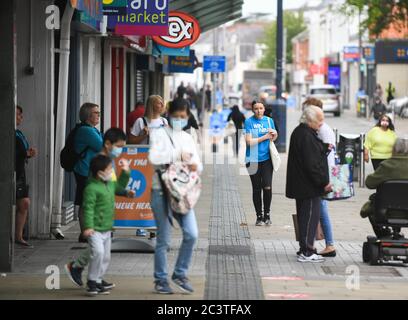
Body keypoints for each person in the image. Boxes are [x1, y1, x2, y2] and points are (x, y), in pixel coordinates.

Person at [65, 128, 135, 288]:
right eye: (119, 146)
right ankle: (88, 276)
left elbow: (113, 187)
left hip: (105, 216)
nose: (120, 150)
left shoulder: (108, 160)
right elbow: (100, 189)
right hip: (97, 215)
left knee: (101, 252)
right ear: (108, 144)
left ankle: (93, 277)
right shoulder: (101, 162)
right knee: (97, 250)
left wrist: (125, 183)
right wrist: (89, 224)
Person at [148, 98, 202, 294]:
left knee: (192, 234)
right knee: (164, 239)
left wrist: (193, 164)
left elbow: (198, 164)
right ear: (169, 114)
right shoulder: (159, 133)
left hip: (181, 192)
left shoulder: (188, 137)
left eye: (183, 116)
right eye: (176, 116)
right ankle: (160, 280)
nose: (179, 119)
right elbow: (155, 158)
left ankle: (180, 273)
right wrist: (181, 159)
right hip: (161, 190)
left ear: (187, 116)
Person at [286, 106, 332, 263]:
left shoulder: (303, 132)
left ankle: (305, 249)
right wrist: (324, 182)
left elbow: (312, 155)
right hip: (309, 187)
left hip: (302, 185)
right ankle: (307, 251)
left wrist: (324, 148)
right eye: (319, 119)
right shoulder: (306, 135)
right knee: (310, 218)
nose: (321, 123)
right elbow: (312, 164)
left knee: (306, 217)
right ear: (310, 120)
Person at [81, 154, 131, 296]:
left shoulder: (109, 184)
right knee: (98, 253)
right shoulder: (91, 189)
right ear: (100, 173)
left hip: (107, 228)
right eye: (109, 169)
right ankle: (91, 281)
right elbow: (88, 209)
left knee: (106, 257)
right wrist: (88, 227)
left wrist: (126, 171)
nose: (111, 172)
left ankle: (97, 280)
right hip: (95, 230)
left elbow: (120, 186)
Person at [303, 98, 336, 257]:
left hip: (324, 175)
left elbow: (325, 156)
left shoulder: (322, 129)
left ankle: (329, 244)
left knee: (321, 210)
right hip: (323, 175)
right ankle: (318, 243)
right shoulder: (320, 129)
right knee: (319, 210)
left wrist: (325, 179)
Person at [360, 138, 408, 238]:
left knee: (370, 206)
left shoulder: (386, 165)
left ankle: (383, 234)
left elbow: (369, 183)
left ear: (393, 149)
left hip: (385, 211)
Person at [244, 101, 278, 226]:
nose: (259, 110)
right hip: (252, 159)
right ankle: (259, 216)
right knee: (257, 189)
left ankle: (267, 215)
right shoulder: (249, 122)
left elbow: (273, 138)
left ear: (264, 109)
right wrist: (264, 137)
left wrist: (274, 135)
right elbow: (248, 142)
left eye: (261, 108)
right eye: (256, 108)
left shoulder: (269, 121)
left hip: (267, 159)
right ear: (253, 110)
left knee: (267, 187)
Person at [74, 103, 103, 243]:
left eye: (98, 112)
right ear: (87, 116)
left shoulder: (92, 130)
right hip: (85, 171)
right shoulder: (86, 131)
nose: (99, 115)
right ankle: (85, 234)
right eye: (96, 112)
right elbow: (102, 146)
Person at [15, 105, 37, 248]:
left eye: (21, 115)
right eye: (17, 115)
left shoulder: (18, 133)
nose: (20, 118)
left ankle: (18, 236)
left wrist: (28, 153)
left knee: (24, 203)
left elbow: (22, 151)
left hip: (20, 171)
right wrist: (27, 153)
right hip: (11, 171)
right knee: (23, 202)